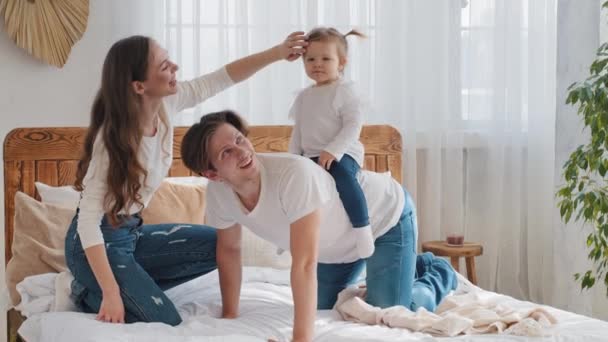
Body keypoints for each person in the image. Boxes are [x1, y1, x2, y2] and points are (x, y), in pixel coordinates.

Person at [64, 33, 308, 326]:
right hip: (97, 241)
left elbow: (224, 77)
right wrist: (111, 292)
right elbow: (88, 223)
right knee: (164, 320)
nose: (175, 67)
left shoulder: (168, 104)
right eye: (164, 66)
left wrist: (277, 52)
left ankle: (131, 280)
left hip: (133, 234)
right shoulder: (112, 142)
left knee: (215, 246)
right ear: (140, 86)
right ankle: (84, 288)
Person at [180, 110, 458, 342]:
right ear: (212, 174)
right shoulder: (219, 194)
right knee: (325, 308)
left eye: (239, 139)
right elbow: (229, 250)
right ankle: (399, 267)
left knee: (388, 312)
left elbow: (303, 263)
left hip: (384, 220)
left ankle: (437, 270)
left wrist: (301, 339)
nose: (242, 152)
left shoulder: (293, 174)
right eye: (227, 152)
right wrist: (230, 315)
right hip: (335, 250)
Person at [288, 27, 374, 258]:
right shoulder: (304, 97)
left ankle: (362, 228)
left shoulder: (344, 91)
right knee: (293, 188)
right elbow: (299, 130)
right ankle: (288, 234)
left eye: (326, 59)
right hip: (312, 156)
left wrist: (333, 150)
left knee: (343, 176)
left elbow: (353, 127)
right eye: (311, 59)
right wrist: (293, 159)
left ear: (342, 62)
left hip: (343, 153)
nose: (317, 64)